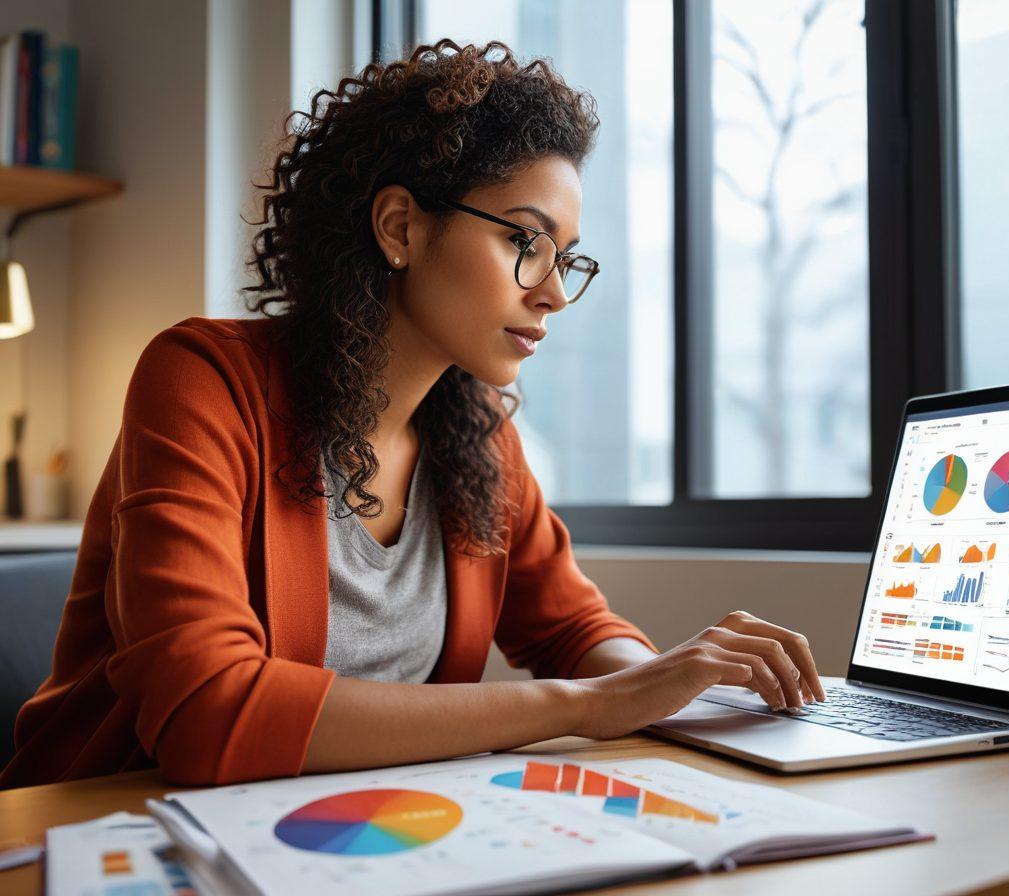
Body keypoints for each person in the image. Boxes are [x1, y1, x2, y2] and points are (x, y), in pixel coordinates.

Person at [0, 39, 824, 790]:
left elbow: (573, 628)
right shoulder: (204, 381)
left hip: (354, 836)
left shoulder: (478, 438)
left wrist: (673, 683)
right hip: (103, 830)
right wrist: (584, 705)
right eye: (524, 242)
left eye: (566, 258)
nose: (555, 293)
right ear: (401, 227)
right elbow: (208, 712)